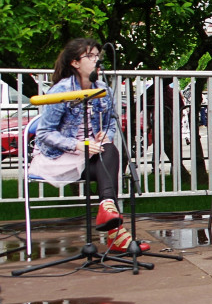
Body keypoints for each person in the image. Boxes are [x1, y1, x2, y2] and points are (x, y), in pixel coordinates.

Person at [29, 38, 147, 253]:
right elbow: (44, 133)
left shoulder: (101, 88)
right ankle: (116, 234)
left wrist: (106, 134)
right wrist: (77, 146)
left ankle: (107, 208)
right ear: (75, 63)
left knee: (110, 150)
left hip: (92, 152)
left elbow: (112, 120)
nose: (97, 61)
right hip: (60, 156)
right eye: (90, 56)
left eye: (98, 57)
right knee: (108, 164)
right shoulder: (61, 90)